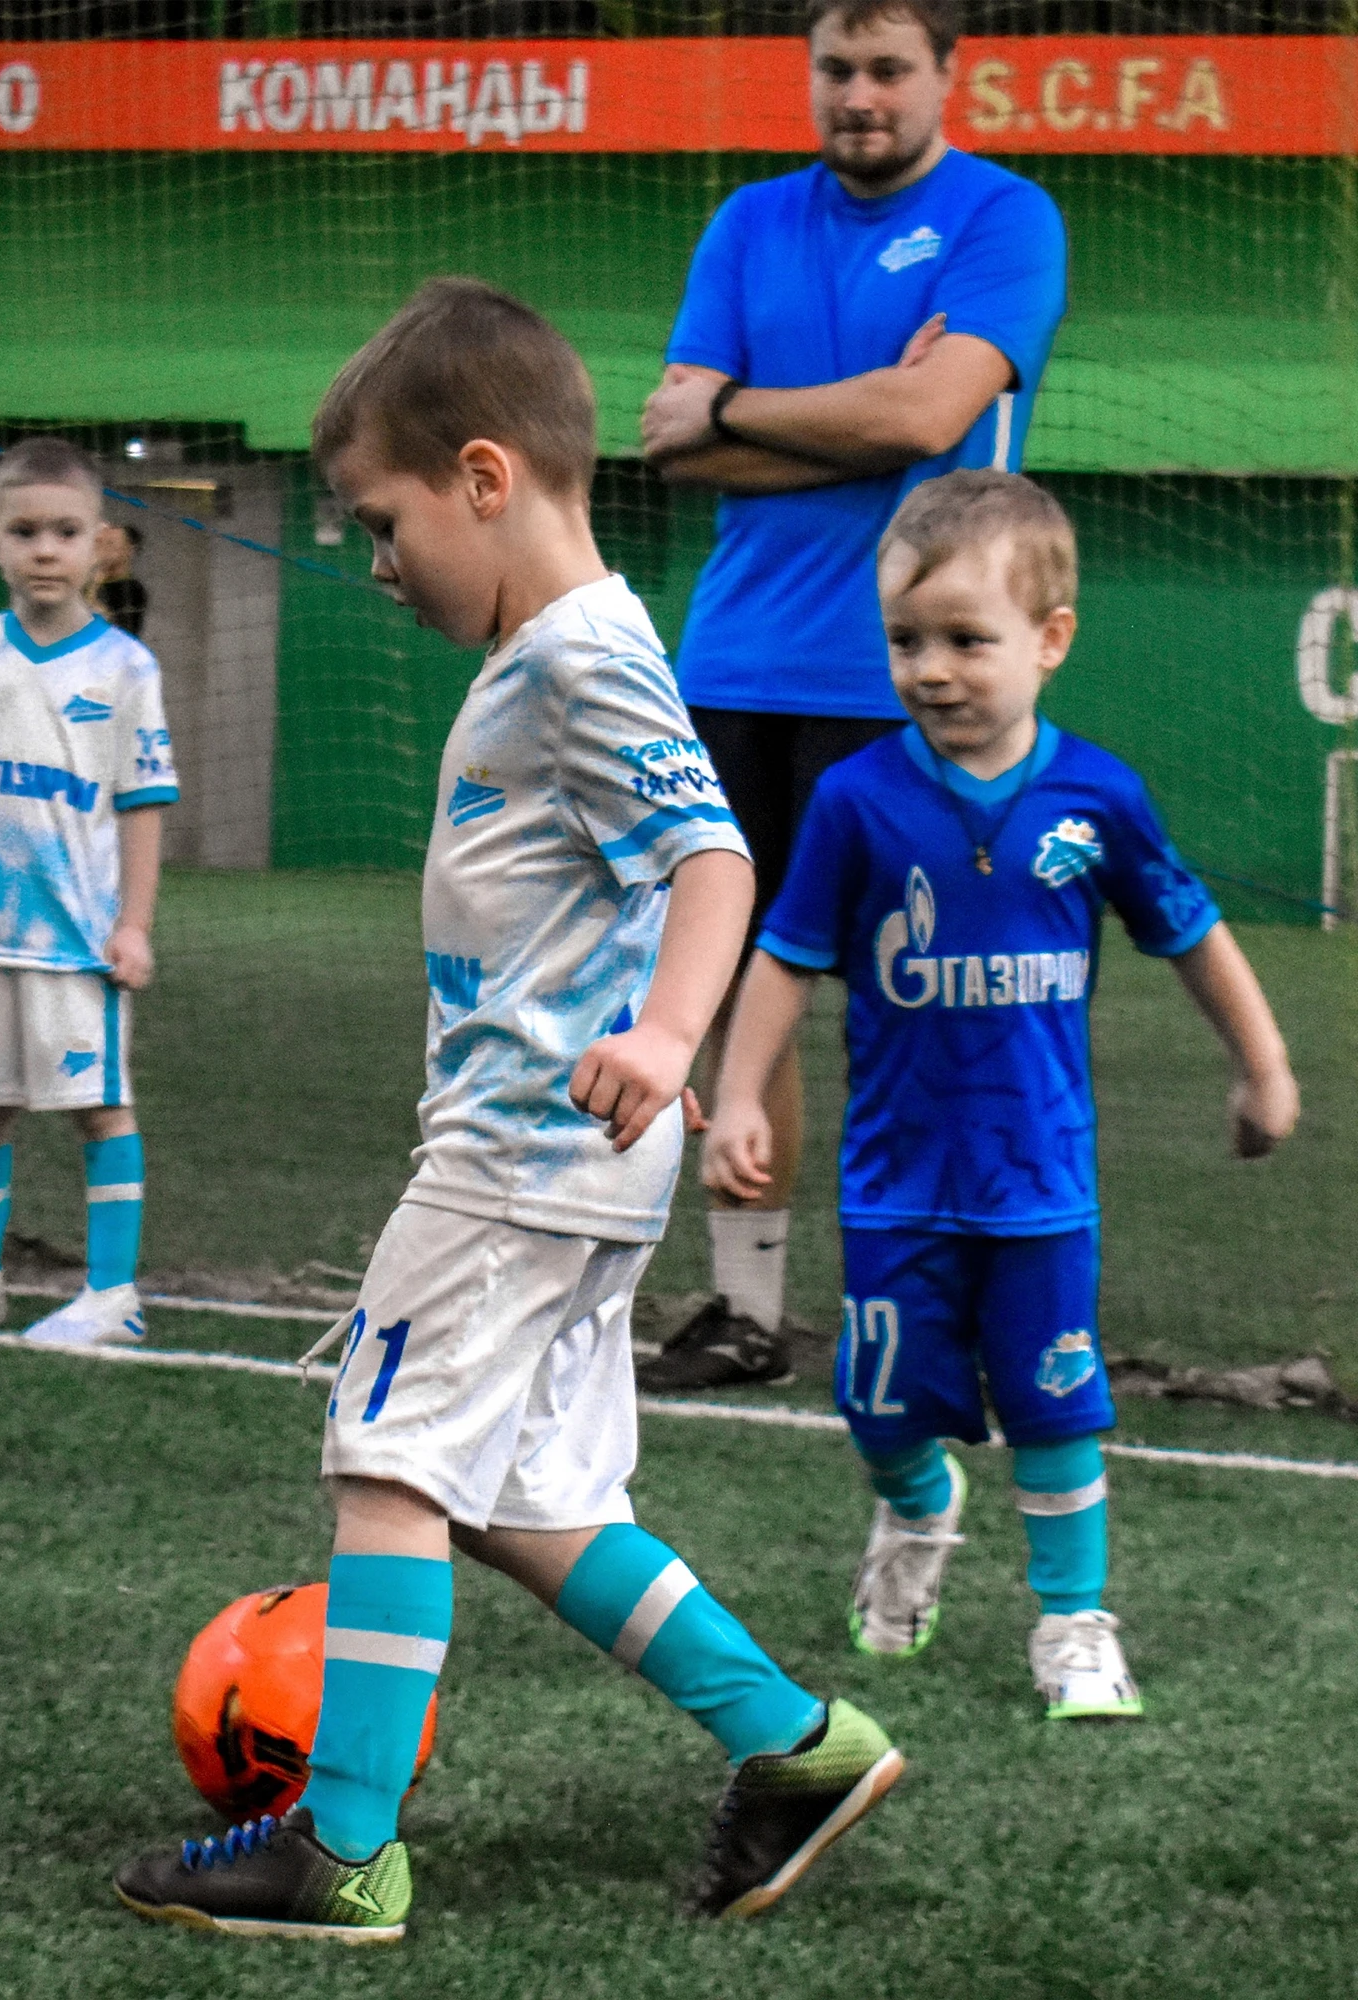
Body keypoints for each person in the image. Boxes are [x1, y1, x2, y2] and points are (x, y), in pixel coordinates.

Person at [114, 280, 903, 1942]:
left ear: (485, 478)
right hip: (568, 1165)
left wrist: (672, 1036)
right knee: (536, 1503)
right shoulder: (556, 656)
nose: (374, 560)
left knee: (387, 1463)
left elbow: (714, 859)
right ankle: (793, 1743)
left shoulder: (578, 659)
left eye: (379, 521)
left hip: (521, 1159)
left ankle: (340, 1847)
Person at [703, 469, 1300, 1717]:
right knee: (877, 1406)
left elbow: (1190, 931)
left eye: (966, 639)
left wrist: (1262, 1067)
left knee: (1054, 1404)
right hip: (895, 1182)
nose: (931, 670)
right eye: (904, 640)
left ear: (1050, 638)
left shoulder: (1098, 799)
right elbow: (786, 954)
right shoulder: (855, 799)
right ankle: (918, 1508)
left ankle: (1073, 1620)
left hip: (1039, 1181)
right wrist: (742, 1090)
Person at [637, 0, 1067, 1390]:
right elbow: (673, 442)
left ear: (946, 75)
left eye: (888, 69)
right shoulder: (748, 222)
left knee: (939, 1005)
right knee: (730, 992)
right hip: (732, 668)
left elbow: (927, 422)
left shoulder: (1007, 218)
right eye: (837, 68)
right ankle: (747, 1311)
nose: (859, 94)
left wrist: (745, 407)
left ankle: (965, 1310)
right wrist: (863, 408)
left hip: (918, 679)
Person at [0, 436, 179, 1347]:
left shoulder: (127, 669)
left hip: (76, 939)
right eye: (25, 533)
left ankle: (112, 1295)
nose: (45, 550)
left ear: (101, 543)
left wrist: (134, 926)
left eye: (65, 531)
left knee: (100, 1109)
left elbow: (142, 806)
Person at [95, 522, 149, 639]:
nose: (105, 550)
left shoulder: (132, 592)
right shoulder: (89, 580)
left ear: (129, 550)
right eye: (103, 544)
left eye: (111, 544)